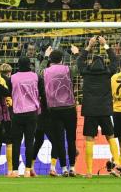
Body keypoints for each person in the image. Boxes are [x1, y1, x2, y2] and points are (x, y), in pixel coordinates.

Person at [77, 35, 119, 178]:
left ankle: (89, 172)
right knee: (111, 136)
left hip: (90, 111)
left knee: (89, 139)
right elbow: (115, 61)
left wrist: (89, 46)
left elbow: (79, 60)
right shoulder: (108, 72)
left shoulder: (86, 72)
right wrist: (105, 45)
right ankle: (117, 165)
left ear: (91, 64)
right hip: (105, 110)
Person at [41, 46, 79, 176]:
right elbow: (78, 68)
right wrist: (76, 54)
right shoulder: (68, 69)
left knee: (59, 139)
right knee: (71, 139)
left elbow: (38, 71)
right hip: (69, 108)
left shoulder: (45, 71)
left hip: (54, 109)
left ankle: (63, 169)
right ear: (62, 59)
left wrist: (45, 56)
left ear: (50, 59)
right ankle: (72, 167)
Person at [9, 57, 42, 177]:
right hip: (32, 112)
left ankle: (15, 171)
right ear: (30, 65)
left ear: (18, 65)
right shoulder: (35, 77)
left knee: (16, 143)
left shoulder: (12, 78)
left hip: (17, 113)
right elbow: (42, 92)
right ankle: (28, 170)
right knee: (29, 142)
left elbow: (8, 93)